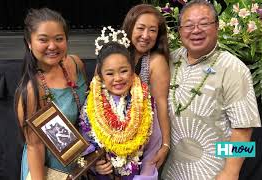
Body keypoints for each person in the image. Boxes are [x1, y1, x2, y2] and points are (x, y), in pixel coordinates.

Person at [161, 0, 262, 180]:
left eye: (204, 23)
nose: (196, 30)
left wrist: (230, 172)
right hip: (170, 171)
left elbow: (244, 129)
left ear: (216, 27)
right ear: (180, 31)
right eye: (189, 25)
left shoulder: (233, 69)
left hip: (211, 172)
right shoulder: (170, 60)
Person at [79, 28, 162, 179]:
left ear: (132, 70)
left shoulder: (145, 102)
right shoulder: (91, 105)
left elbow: (153, 147)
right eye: (110, 73)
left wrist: (143, 177)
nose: (117, 78)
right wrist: (95, 164)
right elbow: (85, 144)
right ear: (101, 76)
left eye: (123, 71)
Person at [15, 8, 87, 180]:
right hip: (50, 171)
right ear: (29, 43)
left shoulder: (75, 63)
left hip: (81, 162)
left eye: (59, 39)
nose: (53, 46)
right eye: (43, 40)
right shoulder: (32, 91)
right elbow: (35, 147)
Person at [122, 4, 171, 168]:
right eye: (140, 28)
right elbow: (96, 90)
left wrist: (165, 145)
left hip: (143, 138)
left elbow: (161, 103)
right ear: (129, 28)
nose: (145, 35)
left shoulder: (156, 61)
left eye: (152, 30)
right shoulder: (115, 52)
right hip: (111, 130)